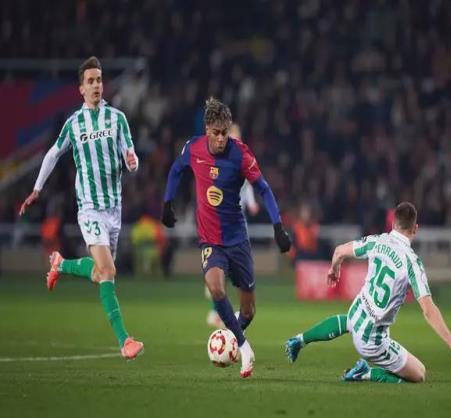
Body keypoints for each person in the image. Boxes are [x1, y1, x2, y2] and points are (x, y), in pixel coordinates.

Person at [19, 56, 144, 360]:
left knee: (101, 274)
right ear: (81, 89)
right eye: (90, 81)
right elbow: (53, 154)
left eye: (99, 79)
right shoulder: (74, 124)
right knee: (108, 271)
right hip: (89, 209)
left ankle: (61, 264)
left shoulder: (117, 119)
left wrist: (133, 163)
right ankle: (125, 341)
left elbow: (131, 157)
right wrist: (37, 189)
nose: (96, 85)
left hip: (114, 210)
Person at [162, 97, 291, 378]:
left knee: (248, 310)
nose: (221, 139)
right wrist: (167, 203)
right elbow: (175, 170)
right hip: (210, 240)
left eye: (225, 133)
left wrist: (278, 227)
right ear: (207, 130)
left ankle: (231, 338)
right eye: (216, 133)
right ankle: (243, 347)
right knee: (215, 287)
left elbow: (264, 189)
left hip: (237, 239)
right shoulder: (193, 148)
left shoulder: (241, 155)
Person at [285, 202, 451, 383]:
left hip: (357, 312)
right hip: (371, 341)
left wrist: (334, 269)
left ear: (393, 223)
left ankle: (299, 340)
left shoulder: (377, 241)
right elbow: (428, 310)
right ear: (415, 229)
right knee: (419, 373)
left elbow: (339, 251)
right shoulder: (412, 262)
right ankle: (365, 373)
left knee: (349, 320)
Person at [205, 122, 260, 328]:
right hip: (220, 225)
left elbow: (248, 186)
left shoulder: (243, 159)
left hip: (238, 226)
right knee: (222, 270)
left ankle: (230, 311)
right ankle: (216, 311)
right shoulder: (218, 161)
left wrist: (252, 203)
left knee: (236, 272)